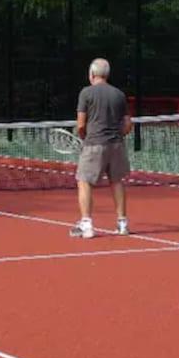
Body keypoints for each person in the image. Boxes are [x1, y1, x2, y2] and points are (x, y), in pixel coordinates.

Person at [70, 58, 132, 239]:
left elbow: (81, 124)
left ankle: (87, 225)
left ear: (91, 74)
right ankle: (122, 224)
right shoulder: (119, 94)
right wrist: (118, 135)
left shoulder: (86, 93)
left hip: (94, 145)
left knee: (84, 181)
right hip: (116, 145)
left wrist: (84, 137)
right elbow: (128, 124)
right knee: (117, 181)